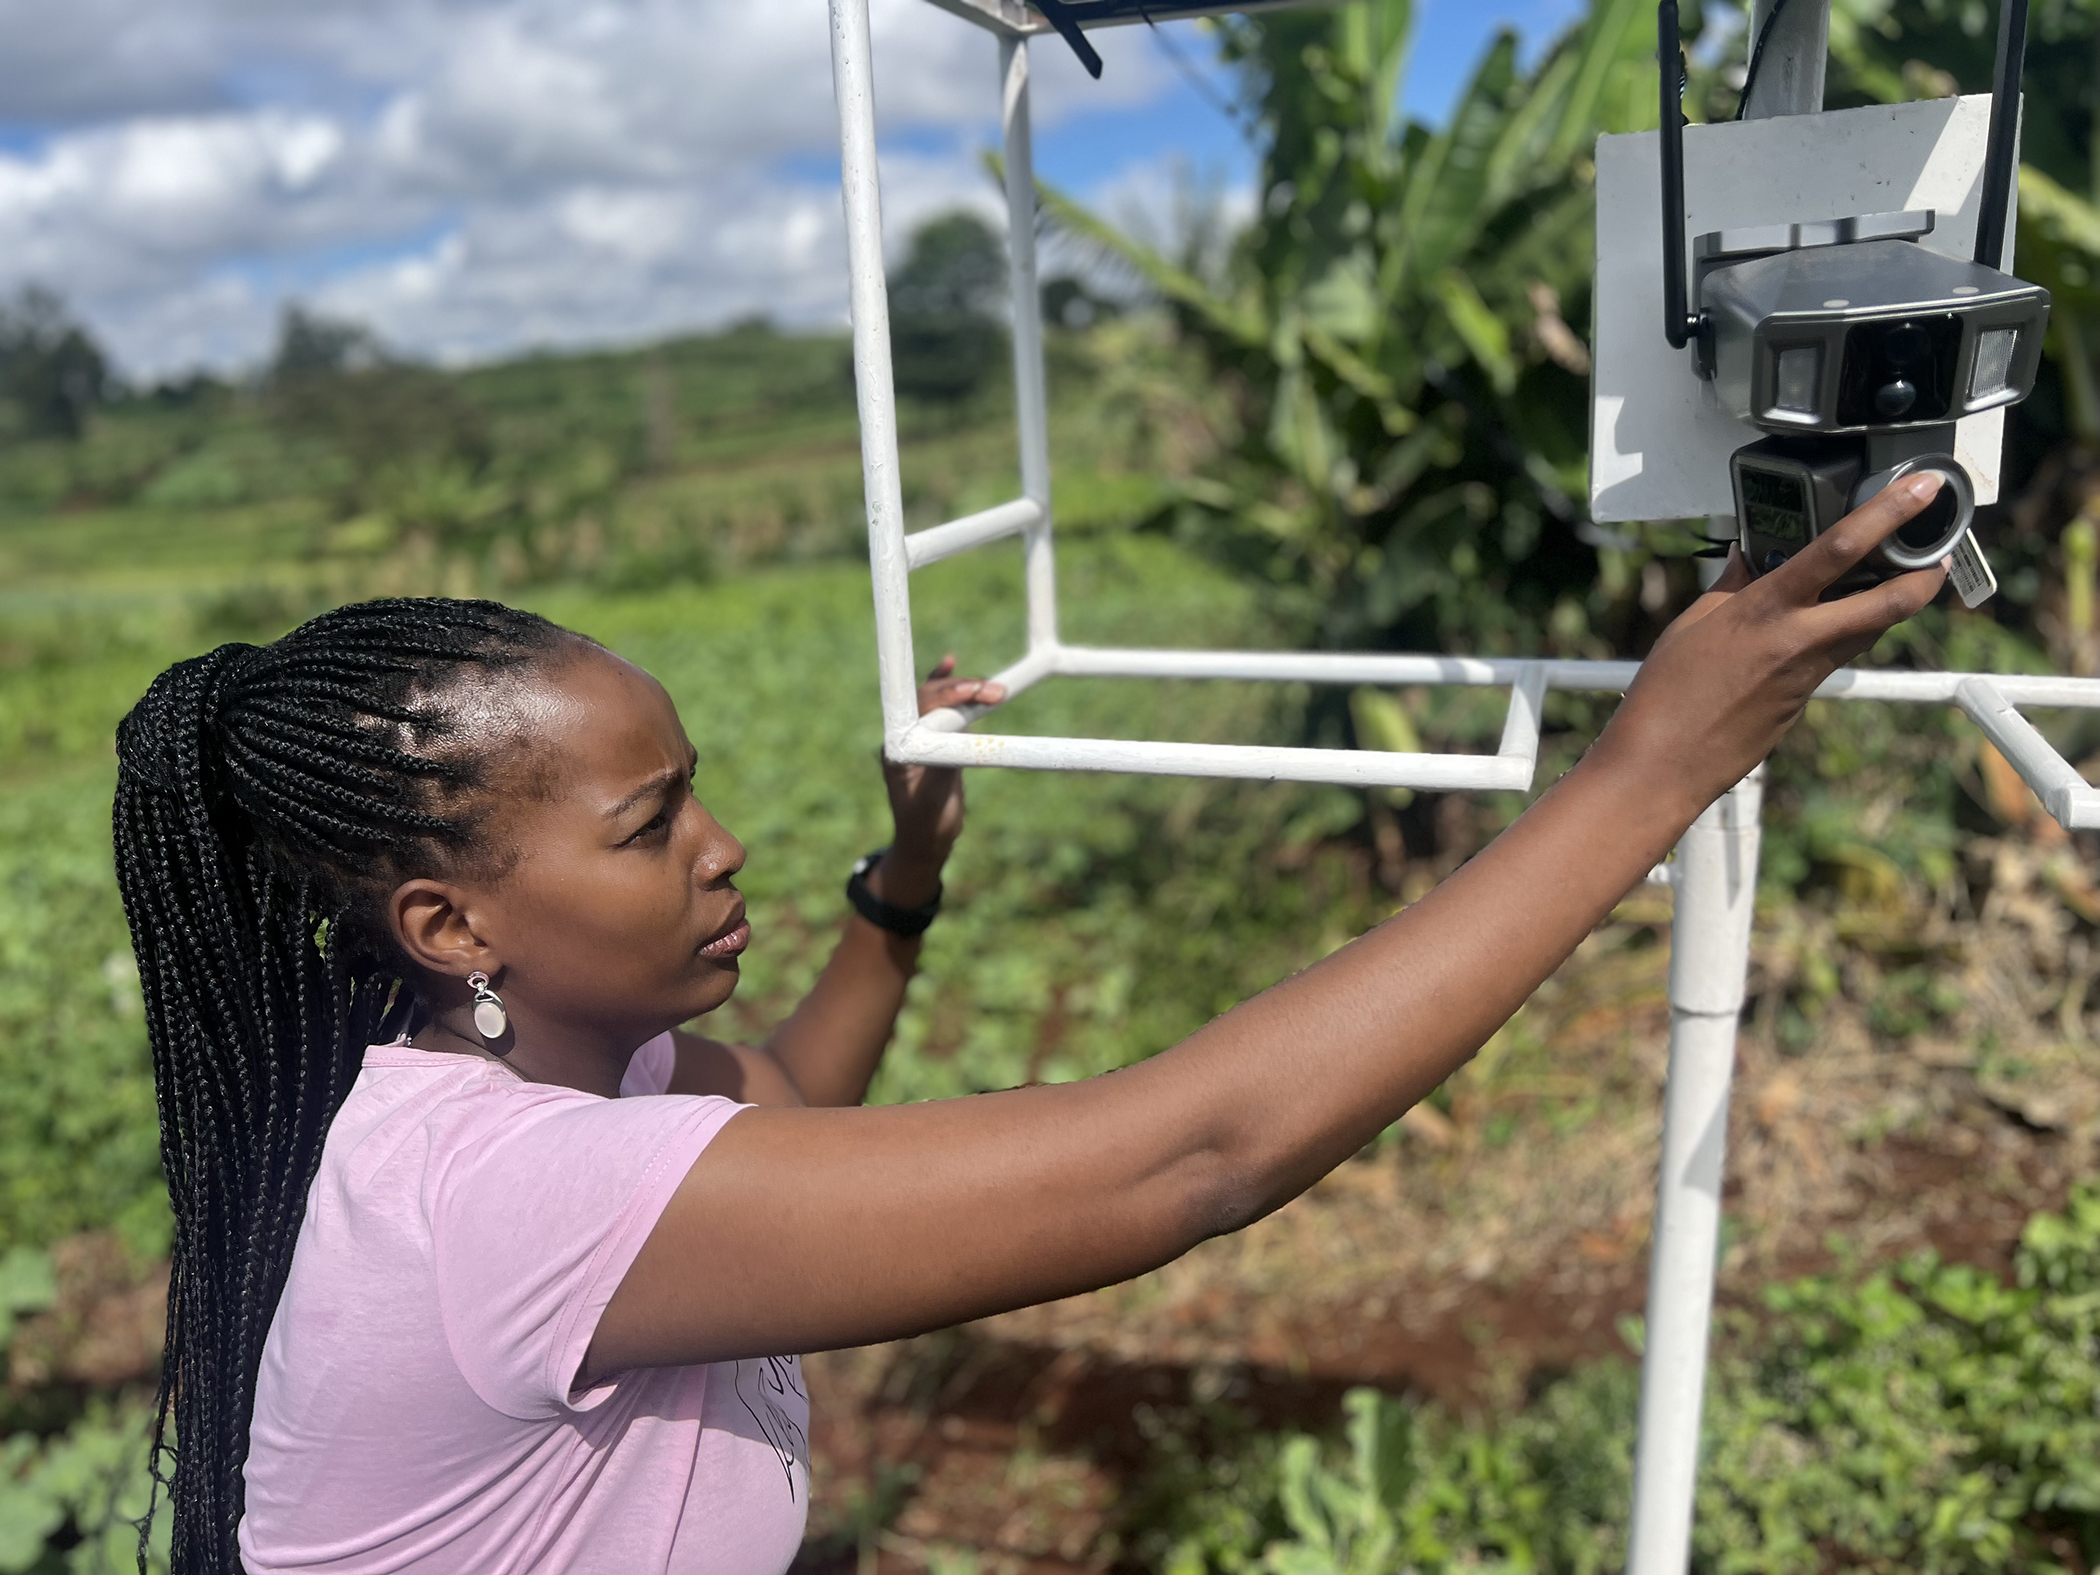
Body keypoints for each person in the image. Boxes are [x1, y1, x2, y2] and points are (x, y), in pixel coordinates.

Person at [111, 476, 1950, 1574]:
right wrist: (1652, 769)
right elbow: (1192, 1157)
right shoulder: (515, 1199)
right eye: (651, 824)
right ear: (449, 923)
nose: (721, 844)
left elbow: (795, 1107)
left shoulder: (562, 1085)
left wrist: (899, 890)